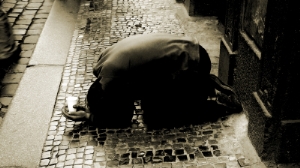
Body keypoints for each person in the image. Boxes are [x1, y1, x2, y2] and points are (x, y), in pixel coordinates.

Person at [62, 33, 242, 128]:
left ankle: (218, 101)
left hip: (194, 63)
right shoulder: (104, 64)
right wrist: (94, 108)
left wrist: (89, 116)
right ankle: (203, 86)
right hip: (192, 49)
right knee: (149, 102)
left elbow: (124, 118)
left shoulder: (115, 79)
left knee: (157, 118)